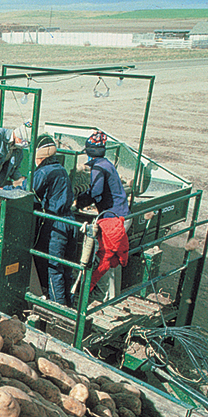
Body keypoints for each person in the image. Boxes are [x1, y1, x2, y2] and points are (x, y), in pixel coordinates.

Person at [74, 130, 131, 296]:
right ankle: (111, 296)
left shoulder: (98, 168)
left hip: (113, 220)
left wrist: (79, 201)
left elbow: (96, 192)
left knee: (104, 258)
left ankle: (99, 297)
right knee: (113, 257)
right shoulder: (106, 164)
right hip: (121, 215)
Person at [31, 134, 76, 307]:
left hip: (56, 224)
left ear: (40, 157)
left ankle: (57, 310)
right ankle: (68, 305)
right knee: (67, 268)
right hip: (70, 221)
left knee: (54, 269)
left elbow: (29, 189)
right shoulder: (61, 169)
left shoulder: (43, 171)